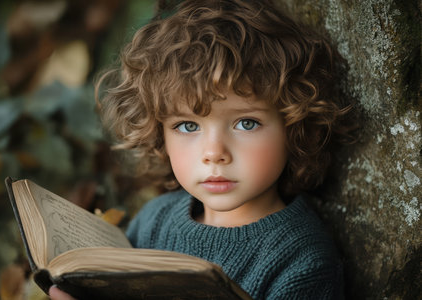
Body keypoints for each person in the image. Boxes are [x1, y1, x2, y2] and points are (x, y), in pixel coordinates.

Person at [50, 0, 354, 299]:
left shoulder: (304, 263)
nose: (214, 153)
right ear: (160, 134)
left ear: (294, 125)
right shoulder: (154, 220)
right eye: (187, 126)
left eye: (246, 123)